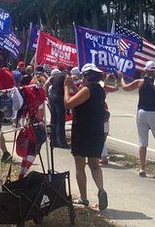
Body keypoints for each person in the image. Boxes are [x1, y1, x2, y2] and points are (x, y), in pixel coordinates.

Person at [65, 63, 109, 211]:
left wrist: (66, 88)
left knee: (80, 166)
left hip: (82, 131)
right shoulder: (99, 90)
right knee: (95, 165)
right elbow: (84, 97)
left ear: (85, 76)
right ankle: (101, 190)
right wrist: (73, 87)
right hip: (96, 131)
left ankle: (84, 198)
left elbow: (69, 104)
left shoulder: (86, 89)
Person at [120, 60, 155, 178]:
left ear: (145, 71)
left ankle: (142, 168)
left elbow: (125, 88)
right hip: (153, 112)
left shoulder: (139, 82)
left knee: (142, 141)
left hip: (141, 111)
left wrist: (121, 78)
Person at [45, 67, 69, 148]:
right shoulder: (66, 76)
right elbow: (70, 87)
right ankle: (62, 142)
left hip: (53, 97)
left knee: (54, 119)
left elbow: (46, 85)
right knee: (60, 121)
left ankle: (53, 140)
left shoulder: (55, 76)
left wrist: (47, 97)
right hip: (60, 98)